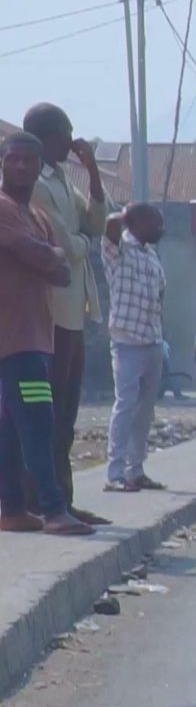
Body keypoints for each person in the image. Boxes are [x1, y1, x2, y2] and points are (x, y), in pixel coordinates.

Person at [21, 103, 109, 527]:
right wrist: (80, 242)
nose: (72, 142)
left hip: (75, 307)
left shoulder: (61, 179)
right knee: (46, 412)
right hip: (50, 312)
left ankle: (62, 499)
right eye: (67, 133)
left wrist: (91, 171)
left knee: (67, 413)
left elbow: (94, 222)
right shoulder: (33, 183)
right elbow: (64, 242)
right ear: (45, 137)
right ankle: (40, 500)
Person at [0, 131, 91, 535]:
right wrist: (47, 255)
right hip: (14, 338)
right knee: (39, 421)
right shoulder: (2, 208)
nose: (20, 166)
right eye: (13, 159)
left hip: (36, 334)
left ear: (40, 167)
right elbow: (40, 254)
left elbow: (64, 271)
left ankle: (13, 509)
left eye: (28, 161)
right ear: (3, 161)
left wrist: (45, 255)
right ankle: (54, 509)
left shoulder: (36, 214)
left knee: (11, 428)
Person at [102, 202, 168, 492]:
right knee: (125, 405)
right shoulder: (119, 249)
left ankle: (135, 470)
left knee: (145, 410)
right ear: (137, 223)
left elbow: (160, 293)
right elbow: (110, 226)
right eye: (155, 223)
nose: (161, 229)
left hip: (152, 340)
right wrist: (124, 215)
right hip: (127, 340)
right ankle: (115, 473)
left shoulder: (151, 255)